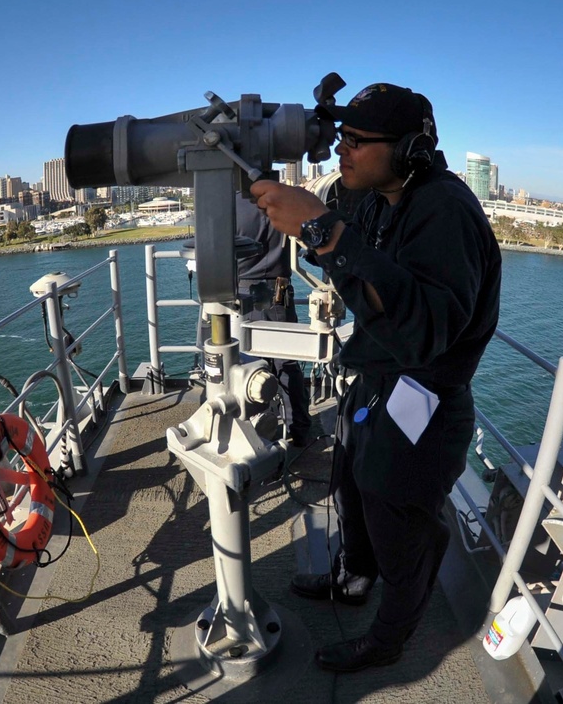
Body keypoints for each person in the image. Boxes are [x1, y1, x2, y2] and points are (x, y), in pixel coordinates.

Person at [250, 83, 502, 673]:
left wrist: (322, 232)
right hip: (377, 380)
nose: (344, 151)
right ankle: (354, 579)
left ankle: (389, 640)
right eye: (342, 138)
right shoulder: (378, 194)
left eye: (358, 142)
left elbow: (424, 332)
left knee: (397, 522)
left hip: (425, 398)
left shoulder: (445, 211)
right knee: (353, 489)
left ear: (411, 149)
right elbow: (341, 219)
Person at [195, 195, 313, 446]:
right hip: (279, 296)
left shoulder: (224, 206)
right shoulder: (283, 200)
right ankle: (298, 429)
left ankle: (247, 434)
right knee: (287, 365)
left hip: (237, 295)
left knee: (241, 369)